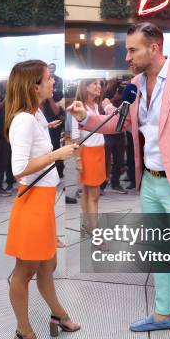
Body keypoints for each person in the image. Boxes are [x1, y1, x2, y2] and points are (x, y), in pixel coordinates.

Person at [69, 22, 170, 339]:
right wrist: (86, 118)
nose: (128, 56)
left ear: (154, 48)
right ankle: (164, 314)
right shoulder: (136, 85)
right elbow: (120, 123)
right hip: (150, 183)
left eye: (133, 50)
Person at [5, 60, 80, 339]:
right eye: (48, 79)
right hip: (32, 202)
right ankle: (24, 332)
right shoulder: (24, 119)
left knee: (48, 266)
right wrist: (57, 154)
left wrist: (49, 140)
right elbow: (19, 168)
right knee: (24, 272)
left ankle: (57, 315)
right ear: (34, 85)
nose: (53, 83)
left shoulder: (36, 114)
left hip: (44, 201)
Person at [71, 79, 108, 233]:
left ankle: (87, 225)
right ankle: (95, 232)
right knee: (94, 195)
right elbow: (75, 136)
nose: (98, 86)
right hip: (88, 152)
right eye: (94, 83)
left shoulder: (96, 107)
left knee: (88, 192)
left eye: (99, 84)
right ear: (86, 87)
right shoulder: (79, 107)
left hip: (99, 151)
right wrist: (78, 158)